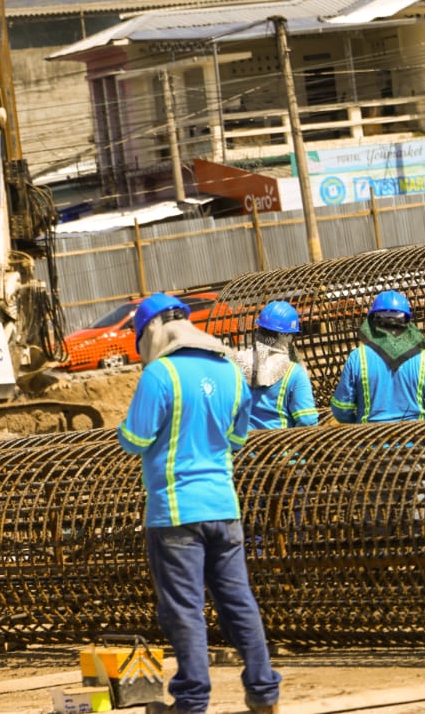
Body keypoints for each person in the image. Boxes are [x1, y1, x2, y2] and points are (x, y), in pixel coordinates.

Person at [117, 292, 282, 714]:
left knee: (184, 610)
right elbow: (238, 438)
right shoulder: (229, 371)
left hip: (175, 514)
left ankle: (191, 704)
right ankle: (264, 694)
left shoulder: (160, 375)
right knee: (239, 601)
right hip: (224, 510)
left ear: (151, 332)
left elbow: (134, 441)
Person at [330, 290, 425, 423]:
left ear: (373, 322)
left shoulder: (357, 357)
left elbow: (341, 408)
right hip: (415, 441)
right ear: (406, 322)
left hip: (368, 441)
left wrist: (357, 426)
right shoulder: (424, 358)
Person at [234, 301, 318, 430]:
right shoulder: (294, 372)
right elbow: (307, 419)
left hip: (242, 447)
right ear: (287, 336)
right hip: (281, 447)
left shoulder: (235, 363)